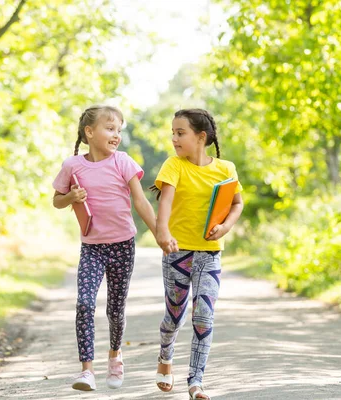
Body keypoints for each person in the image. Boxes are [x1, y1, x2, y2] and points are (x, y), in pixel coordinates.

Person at [52, 105, 157, 391]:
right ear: (90, 132)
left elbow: (141, 202)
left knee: (115, 308)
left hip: (123, 245)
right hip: (92, 248)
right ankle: (87, 370)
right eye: (110, 129)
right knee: (84, 303)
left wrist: (160, 232)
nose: (117, 136)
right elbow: (57, 201)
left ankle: (115, 357)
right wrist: (71, 196)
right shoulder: (72, 166)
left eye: (119, 131)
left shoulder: (124, 162)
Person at [150, 108, 244, 400]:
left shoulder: (226, 168)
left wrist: (226, 226)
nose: (174, 138)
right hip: (177, 252)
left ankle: (196, 380)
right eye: (173, 133)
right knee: (174, 316)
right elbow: (165, 201)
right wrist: (162, 232)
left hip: (210, 253)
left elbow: (237, 203)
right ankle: (165, 356)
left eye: (181, 133)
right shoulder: (174, 165)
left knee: (203, 316)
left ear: (200, 137)